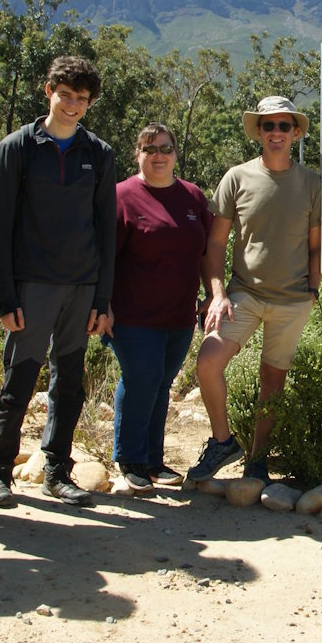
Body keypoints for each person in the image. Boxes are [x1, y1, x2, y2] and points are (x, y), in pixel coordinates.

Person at [0, 56, 117, 509]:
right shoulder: (17, 147)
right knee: (19, 380)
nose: (73, 105)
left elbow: (105, 229)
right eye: (66, 95)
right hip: (32, 286)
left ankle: (57, 471)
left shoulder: (98, 154)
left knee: (70, 383)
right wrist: (5, 294)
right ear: (48, 91)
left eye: (82, 99)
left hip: (81, 287)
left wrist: (103, 298)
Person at [186, 96, 322, 484]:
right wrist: (217, 293)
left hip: (293, 299)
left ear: (295, 132)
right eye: (268, 126)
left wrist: (313, 290)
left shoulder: (311, 182)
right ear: (258, 132)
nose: (275, 133)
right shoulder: (237, 178)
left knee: (272, 380)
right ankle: (223, 441)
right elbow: (215, 244)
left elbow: (315, 244)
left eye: (283, 126)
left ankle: (258, 461)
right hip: (243, 294)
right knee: (208, 363)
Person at [105, 124, 215, 493]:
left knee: (161, 384)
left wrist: (210, 295)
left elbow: (206, 252)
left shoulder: (192, 197)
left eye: (165, 148)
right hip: (133, 316)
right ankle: (129, 458)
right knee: (142, 380)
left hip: (179, 316)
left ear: (175, 153)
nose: (159, 155)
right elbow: (104, 257)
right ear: (137, 153)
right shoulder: (122, 196)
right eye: (150, 148)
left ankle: (152, 459)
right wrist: (101, 305)